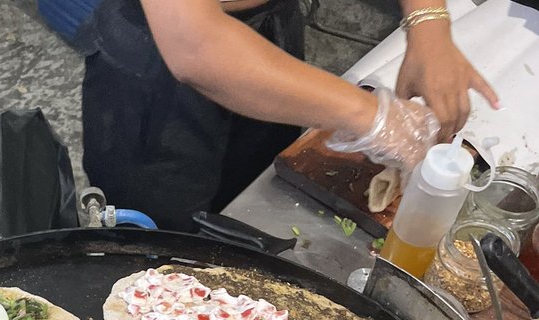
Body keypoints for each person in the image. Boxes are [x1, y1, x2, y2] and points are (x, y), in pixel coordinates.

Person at [81, 0, 500, 230]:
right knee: (160, 242)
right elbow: (194, 45)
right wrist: (373, 116)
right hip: (160, 62)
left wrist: (428, 23)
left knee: (253, 201)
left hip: (272, 28)